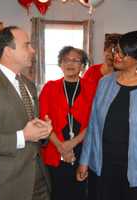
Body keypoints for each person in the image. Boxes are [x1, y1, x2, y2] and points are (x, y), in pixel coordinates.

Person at [77, 31, 137, 200]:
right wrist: (84, 161)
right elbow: (93, 125)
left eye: (123, 53)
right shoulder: (105, 83)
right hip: (102, 167)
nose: (116, 56)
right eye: (116, 50)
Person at [0, 26, 52, 200]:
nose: (33, 50)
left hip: (39, 182)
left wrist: (42, 132)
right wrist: (23, 136)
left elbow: (29, 127)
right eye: (26, 45)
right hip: (5, 187)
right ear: (7, 52)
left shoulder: (28, 85)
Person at [39, 46, 91, 200]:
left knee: (80, 193)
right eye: (66, 60)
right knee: (56, 193)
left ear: (82, 66)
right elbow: (43, 119)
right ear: (60, 64)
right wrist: (61, 147)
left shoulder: (92, 88)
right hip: (55, 150)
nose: (70, 63)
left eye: (76, 60)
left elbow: (95, 122)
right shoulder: (50, 87)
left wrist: (72, 143)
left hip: (82, 151)